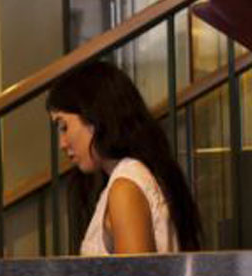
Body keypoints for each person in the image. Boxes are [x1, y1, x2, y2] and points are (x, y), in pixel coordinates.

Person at [46, 61, 202, 255]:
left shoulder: (125, 188)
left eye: (64, 127)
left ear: (94, 117)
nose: (62, 143)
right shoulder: (134, 175)